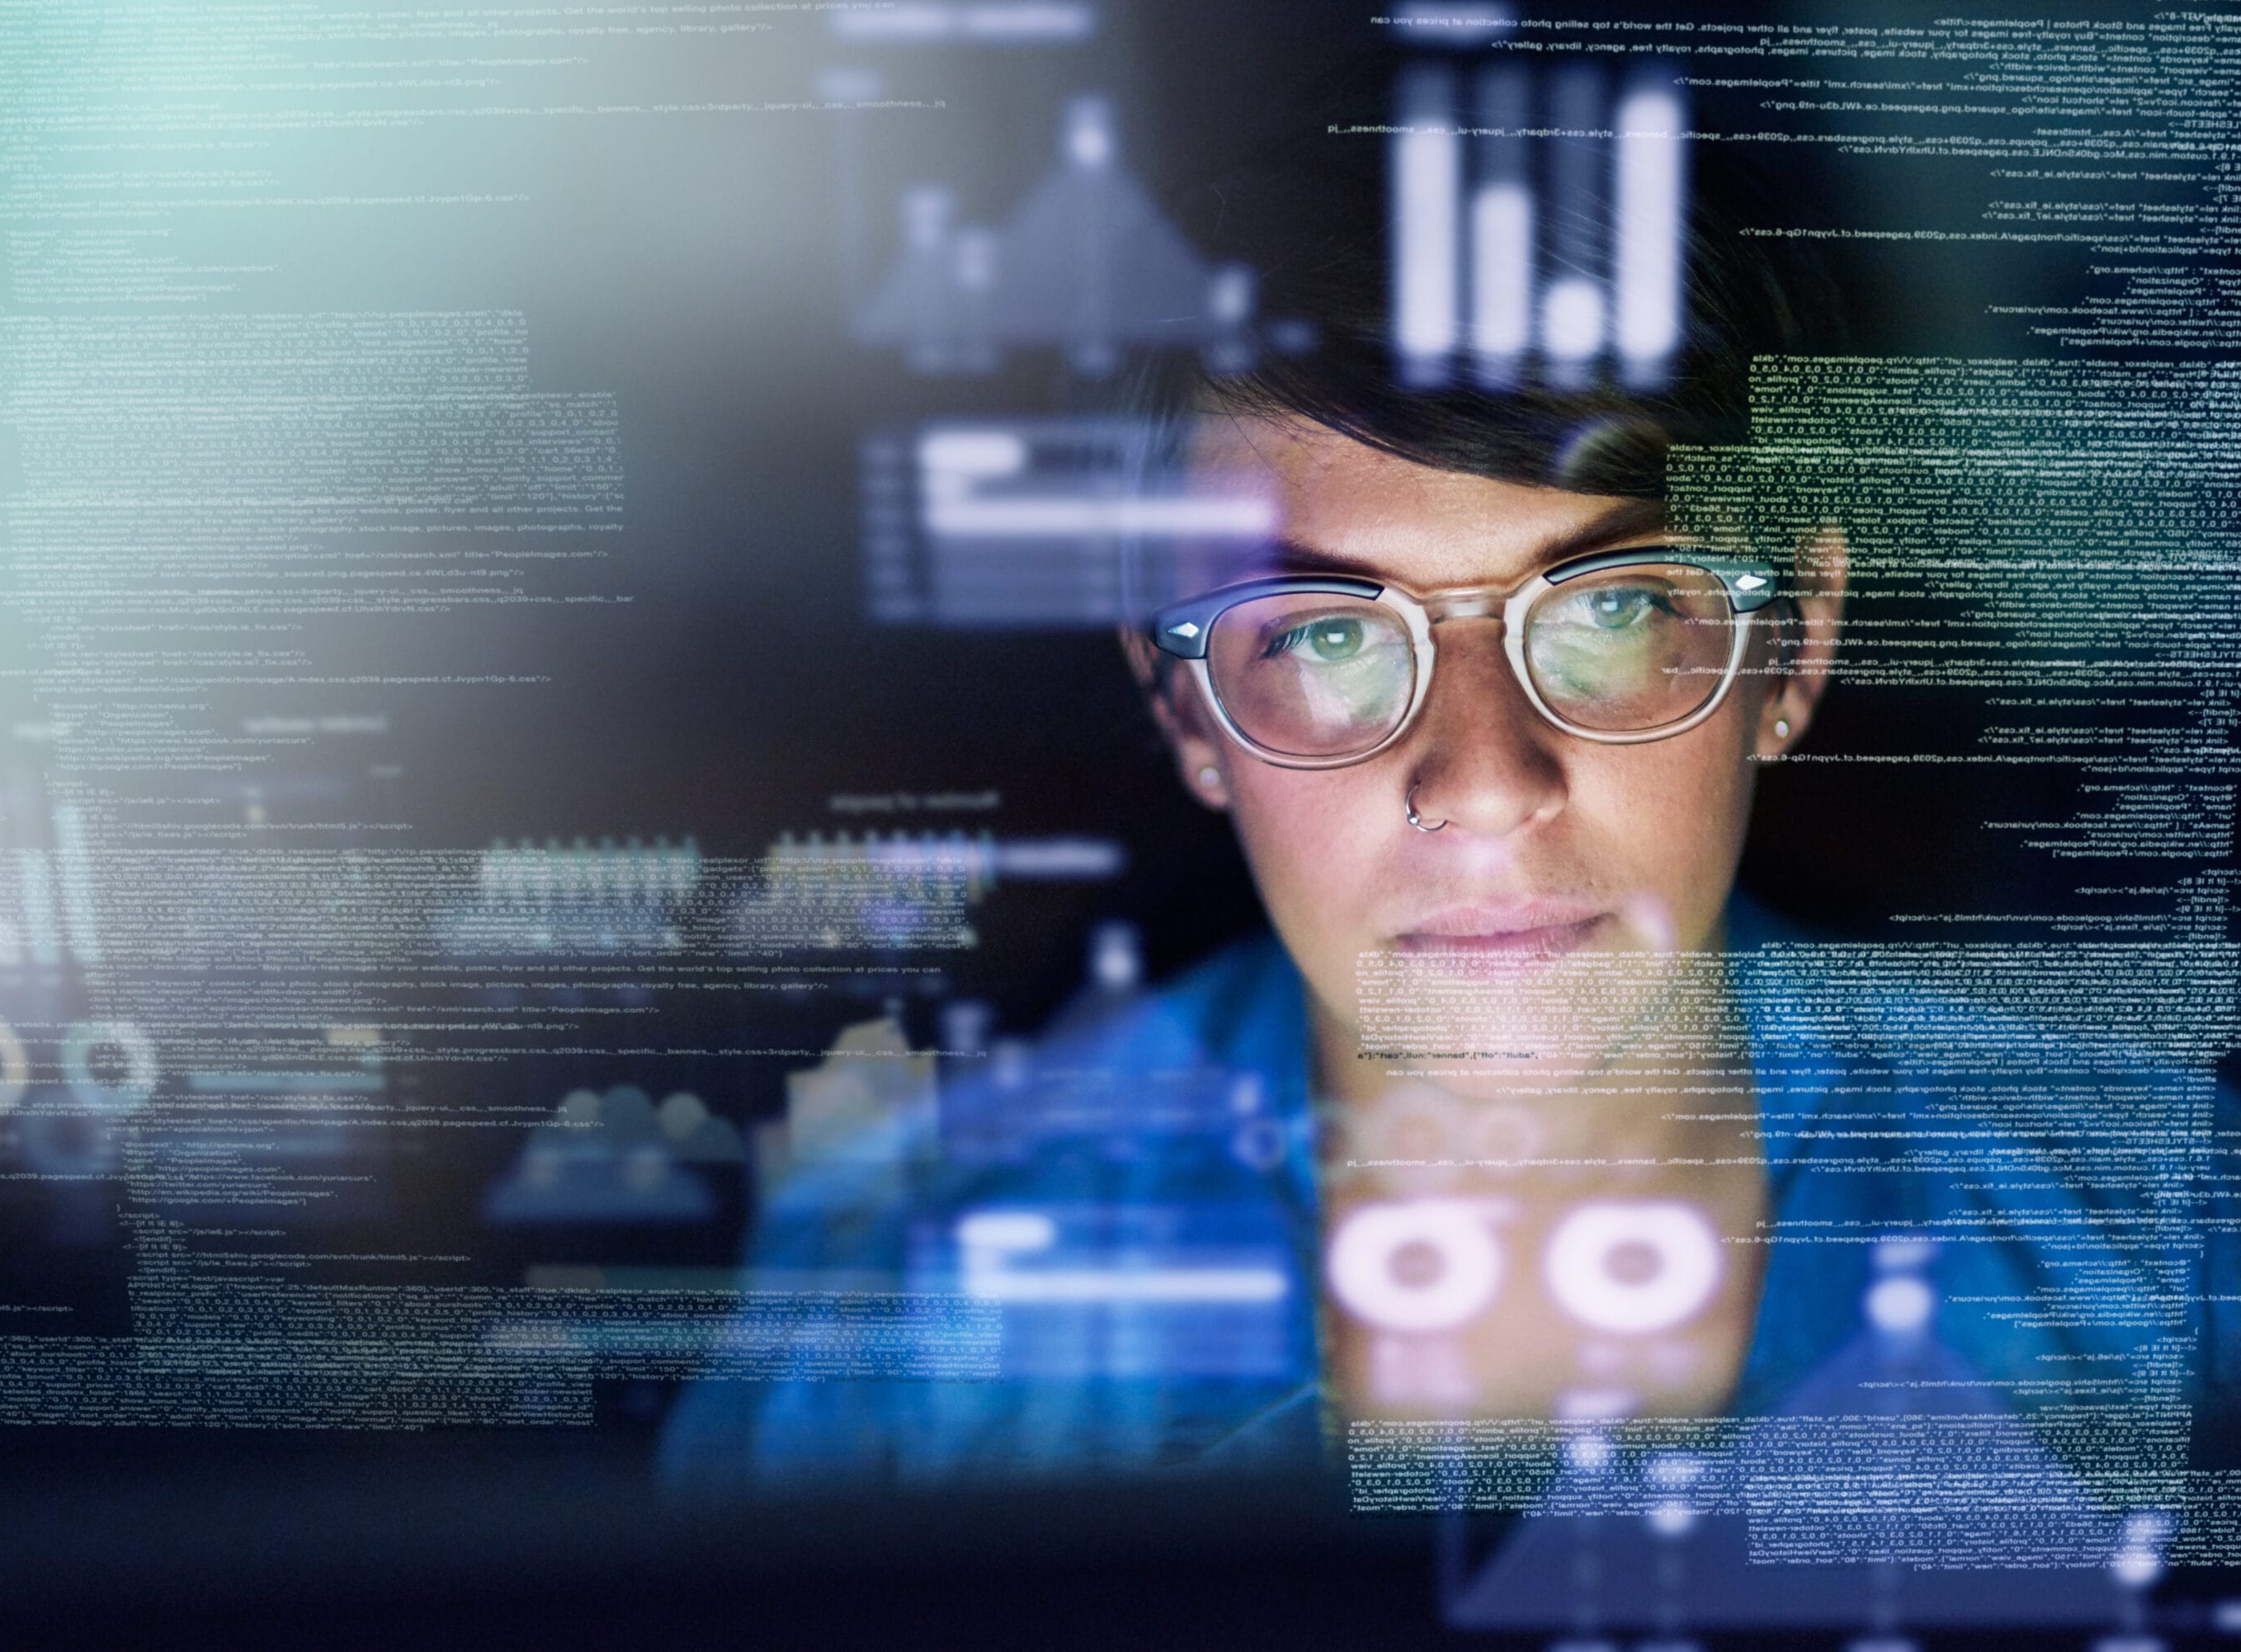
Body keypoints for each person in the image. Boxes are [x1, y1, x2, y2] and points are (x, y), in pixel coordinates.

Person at [658, 81, 2234, 1527]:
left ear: (1791, 644)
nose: (1486, 782)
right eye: (1330, 639)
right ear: (1185, 705)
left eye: (1612, 610)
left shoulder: (2173, 1240)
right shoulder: (907, 1315)